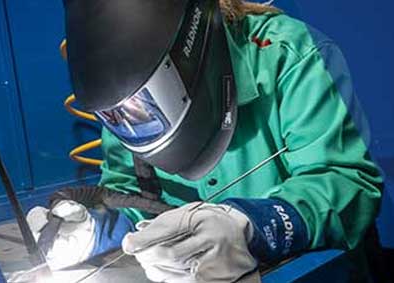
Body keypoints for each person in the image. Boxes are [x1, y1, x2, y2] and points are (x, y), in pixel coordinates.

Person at [27, 0, 383, 282]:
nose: (135, 120)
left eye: (146, 104)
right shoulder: (127, 102)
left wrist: (252, 226)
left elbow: (345, 183)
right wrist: (96, 230)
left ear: (187, 50)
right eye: (122, 114)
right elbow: (131, 194)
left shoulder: (287, 54)